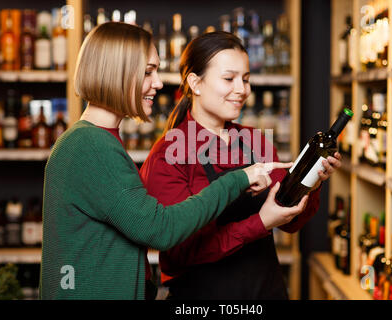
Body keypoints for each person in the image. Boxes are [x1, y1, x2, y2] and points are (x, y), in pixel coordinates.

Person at [39, 23, 301, 300]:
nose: (159, 82)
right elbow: (161, 229)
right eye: (148, 72)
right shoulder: (89, 145)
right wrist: (240, 179)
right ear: (117, 72)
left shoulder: (99, 140)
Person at [140, 31, 342, 299]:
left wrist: (311, 181)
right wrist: (260, 222)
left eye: (245, 79)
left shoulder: (254, 142)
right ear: (195, 82)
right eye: (229, 79)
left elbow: (291, 222)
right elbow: (180, 252)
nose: (242, 90)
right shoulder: (168, 154)